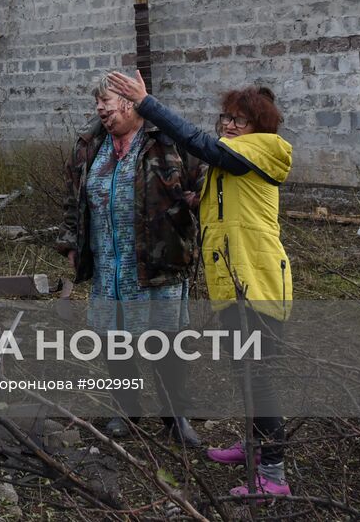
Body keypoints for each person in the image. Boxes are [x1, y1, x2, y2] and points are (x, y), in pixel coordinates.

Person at [107, 70, 293, 498]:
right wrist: (182, 197)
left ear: (258, 128)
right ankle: (252, 449)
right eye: (225, 117)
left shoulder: (262, 151)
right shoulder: (233, 162)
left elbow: (197, 143)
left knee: (257, 378)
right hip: (234, 282)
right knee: (243, 372)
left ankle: (275, 476)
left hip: (258, 283)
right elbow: (216, 208)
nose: (228, 126)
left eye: (239, 121)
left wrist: (147, 103)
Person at [57, 74, 201, 445]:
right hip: (108, 264)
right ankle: (126, 410)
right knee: (114, 342)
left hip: (158, 261)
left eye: (107, 100)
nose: (101, 109)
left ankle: (176, 417)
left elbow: (202, 182)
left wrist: (197, 203)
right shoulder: (90, 144)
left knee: (165, 343)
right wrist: (73, 241)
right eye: (97, 103)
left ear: (132, 101)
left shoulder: (166, 140)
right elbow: (75, 198)